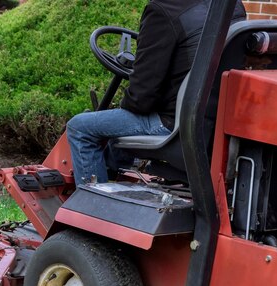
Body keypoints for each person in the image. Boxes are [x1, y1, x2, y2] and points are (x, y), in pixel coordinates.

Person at [66, 0, 246, 185]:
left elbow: (141, 99)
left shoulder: (163, 10)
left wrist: (127, 101)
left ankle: (94, 204)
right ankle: (114, 180)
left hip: (174, 124)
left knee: (80, 128)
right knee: (115, 125)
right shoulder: (231, 6)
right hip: (213, 121)